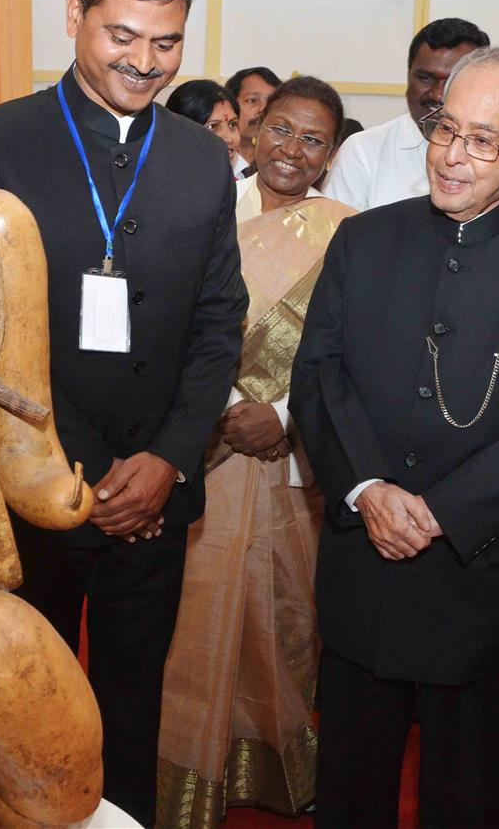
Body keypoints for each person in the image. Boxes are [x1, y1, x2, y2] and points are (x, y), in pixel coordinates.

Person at [0, 0, 248, 824]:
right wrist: (43, 467)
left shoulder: (202, 158)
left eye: (167, 44)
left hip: (148, 495)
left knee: (130, 703)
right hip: (22, 485)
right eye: (124, 35)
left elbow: (217, 322)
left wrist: (167, 460)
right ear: (75, 14)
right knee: (13, 707)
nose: (144, 63)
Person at [290, 47, 499, 829]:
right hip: (363, 564)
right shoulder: (364, 240)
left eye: (483, 140)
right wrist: (368, 488)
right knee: (350, 783)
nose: (453, 156)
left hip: (483, 579)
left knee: (467, 794)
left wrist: (443, 512)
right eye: (446, 130)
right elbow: (320, 376)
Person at [156, 76, 355, 829]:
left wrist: (282, 413)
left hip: (285, 462)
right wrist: (226, 407)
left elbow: (348, 354)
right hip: (201, 446)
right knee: (190, 621)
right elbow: (171, 328)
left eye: (312, 139)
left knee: (282, 620)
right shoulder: (203, 209)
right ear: (246, 128)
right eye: (279, 129)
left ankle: (270, 768)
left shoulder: (348, 231)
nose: (291, 150)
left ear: (331, 154)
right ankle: (183, 777)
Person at [322, 18, 489, 211]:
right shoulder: (363, 151)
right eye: (425, 78)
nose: (437, 94)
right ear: (408, 75)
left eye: (453, 81)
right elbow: (335, 235)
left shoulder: (496, 155)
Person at [166, 78, 243, 174]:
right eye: (212, 126)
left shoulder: (242, 184)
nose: (229, 138)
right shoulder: (157, 184)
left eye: (232, 124)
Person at [225, 66, 281, 176]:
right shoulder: (214, 164)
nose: (263, 109)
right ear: (230, 106)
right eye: (253, 100)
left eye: (271, 102)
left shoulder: (285, 169)